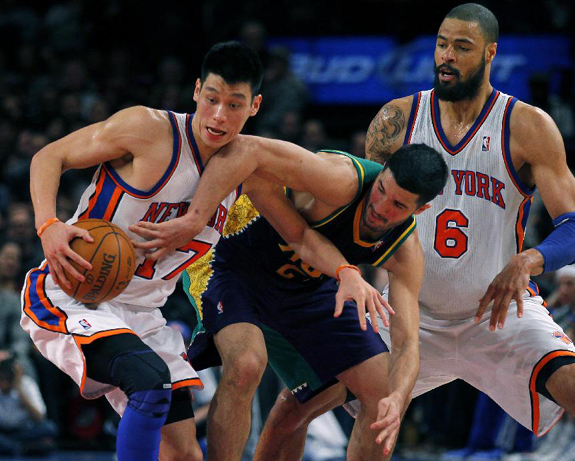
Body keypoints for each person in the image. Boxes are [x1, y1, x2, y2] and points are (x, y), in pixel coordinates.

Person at [248, 2, 575, 457]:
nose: (446, 56)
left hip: (497, 313)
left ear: (490, 53)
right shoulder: (397, 121)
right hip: (407, 312)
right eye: (441, 44)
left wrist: (529, 259)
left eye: (462, 47)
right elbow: (356, 216)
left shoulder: (527, 126)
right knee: (291, 410)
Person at [21, 41, 385, 461]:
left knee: (185, 455)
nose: (218, 115)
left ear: (255, 106)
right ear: (196, 91)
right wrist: (48, 226)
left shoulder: (247, 167)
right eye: (211, 99)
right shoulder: (148, 129)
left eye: (234, 104)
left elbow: (300, 236)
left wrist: (346, 271)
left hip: (144, 315)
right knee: (151, 382)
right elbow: (51, 155)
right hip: (74, 292)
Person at [157, 141, 446, 460]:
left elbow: (407, 346)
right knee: (246, 364)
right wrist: (195, 217)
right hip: (234, 258)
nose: (380, 206)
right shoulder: (339, 179)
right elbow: (247, 150)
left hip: (306, 284)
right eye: (381, 190)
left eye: (397, 205)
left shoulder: (406, 251)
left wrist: (400, 397)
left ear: (419, 211)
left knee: (384, 395)